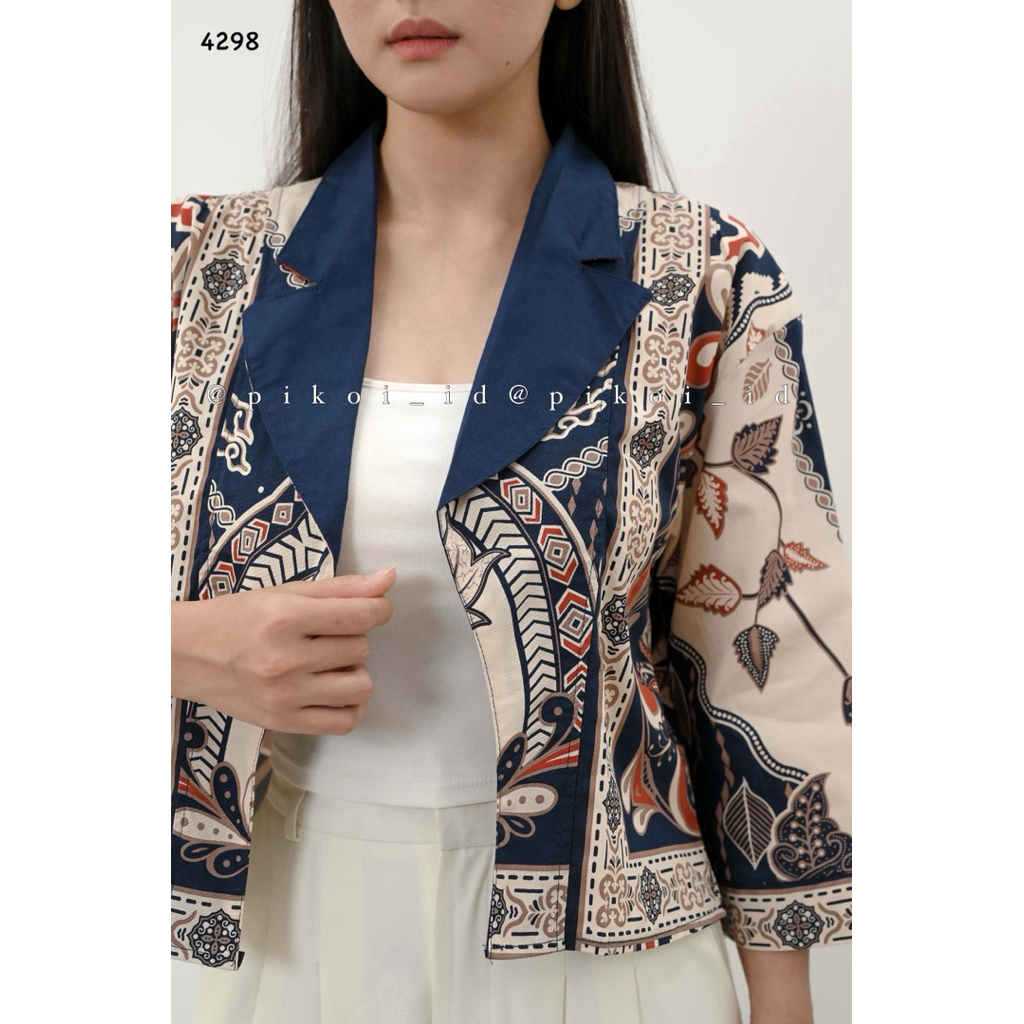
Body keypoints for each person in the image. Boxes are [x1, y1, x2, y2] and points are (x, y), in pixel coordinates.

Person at [170, 2, 852, 1022]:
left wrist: (785, 1002)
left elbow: (768, 669)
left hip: (615, 960)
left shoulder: (707, 280)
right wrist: (174, 647)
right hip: (292, 936)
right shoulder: (189, 272)